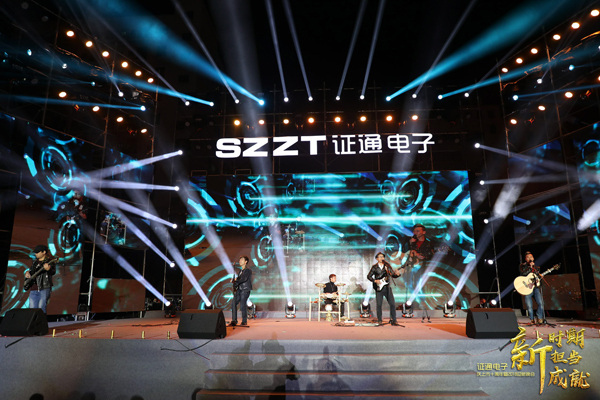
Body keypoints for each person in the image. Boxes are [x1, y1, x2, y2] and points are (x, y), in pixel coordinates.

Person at [367, 252, 402, 325]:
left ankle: (394, 320)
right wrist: (375, 280)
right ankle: (379, 320)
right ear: (377, 258)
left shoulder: (387, 266)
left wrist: (397, 274)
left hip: (387, 287)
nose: (381, 258)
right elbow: (369, 276)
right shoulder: (374, 267)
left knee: (392, 304)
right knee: (379, 305)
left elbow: (392, 275)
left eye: (382, 257)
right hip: (379, 288)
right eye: (380, 257)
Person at [25, 245, 57, 314]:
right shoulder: (35, 262)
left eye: (37, 252)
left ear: (44, 252)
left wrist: (48, 269)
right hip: (33, 288)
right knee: (32, 309)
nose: (36, 254)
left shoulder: (49, 261)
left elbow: (53, 272)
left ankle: (41, 321)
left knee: (41, 307)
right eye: (35, 252)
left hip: (44, 287)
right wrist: (27, 273)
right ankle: (33, 321)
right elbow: (32, 271)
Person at [519, 251, 546, 325]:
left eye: (531, 257)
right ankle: (532, 319)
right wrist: (530, 267)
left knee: (541, 303)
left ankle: (539, 317)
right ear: (525, 259)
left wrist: (539, 277)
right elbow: (523, 273)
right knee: (529, 306)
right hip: (527, 288)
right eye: (528, 257)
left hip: (535, 287)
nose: (529, 258)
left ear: (533, 258)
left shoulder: (537, 268)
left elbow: (537, 277)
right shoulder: (522, 266)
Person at [231, 255, 253, 326]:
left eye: (242, 260)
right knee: (233, 303)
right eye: (240, 260)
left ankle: (244, 321)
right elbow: (239, 279)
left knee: (243, 305)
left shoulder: (247, 270)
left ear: (246, 262)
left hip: (245, 289)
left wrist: (236, 281)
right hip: (239, 289)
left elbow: (244, 279)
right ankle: (234, 320)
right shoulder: (241, 271)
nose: (240, 261)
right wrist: (234, 280)